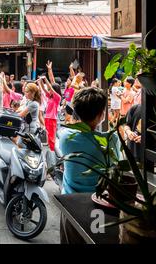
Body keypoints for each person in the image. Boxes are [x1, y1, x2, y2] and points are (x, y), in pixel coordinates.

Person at [58, 87, 121, 244]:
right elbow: (115, 170)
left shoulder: (65, 136)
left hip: (70, 205)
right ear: (101, 115)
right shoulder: (110, 141)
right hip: (99, 208)